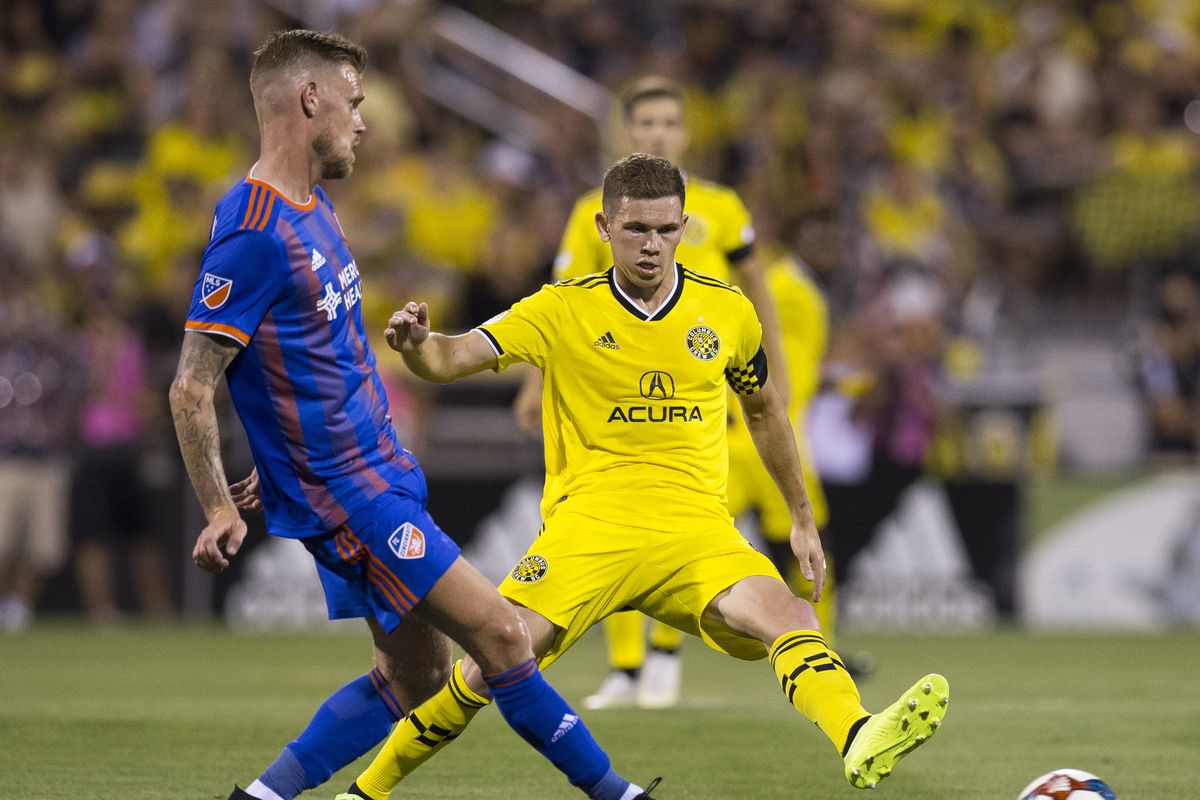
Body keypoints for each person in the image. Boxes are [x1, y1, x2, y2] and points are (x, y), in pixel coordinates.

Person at [341, 154, 949, 799]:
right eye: (636, 230)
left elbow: (766, 409)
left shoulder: (727, 312)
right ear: (603, 227)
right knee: (491, 664)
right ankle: (367, 791)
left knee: (792, 614)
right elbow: (455, 355)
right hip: (589, 530)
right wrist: (416, 347)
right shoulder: (560, 309)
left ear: (685, 225)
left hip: (695, 531)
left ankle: (857, 735)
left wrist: (800, 514)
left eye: (665, 229)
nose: (652, 245)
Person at [169, 30, 652, 800]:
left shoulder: (312, 205)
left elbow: (299, 357)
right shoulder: (253, 233)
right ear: (309, 100)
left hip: (376, 470)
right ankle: (616, 793)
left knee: (415, 677)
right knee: (498, 632)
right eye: (354, 103)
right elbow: (192, 386)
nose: (365, 121)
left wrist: (276, 449)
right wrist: (219, 505)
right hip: (351, 495)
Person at [514, 76, 800, 710]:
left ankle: (664, 655)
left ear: (687, 133)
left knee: (686, 525)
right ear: (626, 133)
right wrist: (537, 386)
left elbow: (758, 296)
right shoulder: (597, 209)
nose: (658, 135)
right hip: (610, 389)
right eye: (646, 125)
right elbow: (559, 311)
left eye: (670, 124)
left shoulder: (721, 208)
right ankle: (626, 666)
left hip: (706, 391)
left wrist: (776, 375)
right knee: (617, 515)